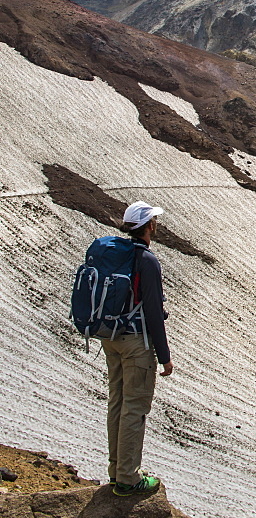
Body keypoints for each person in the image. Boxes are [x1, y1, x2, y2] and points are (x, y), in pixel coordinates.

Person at [101, 200, 173, 496]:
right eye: (154, 221)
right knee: (135, 408)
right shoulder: (147, 260)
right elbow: (154, 311)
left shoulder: (117, 253)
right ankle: (128, 479)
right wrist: (165, 357)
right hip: (136, 343)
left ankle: (117, 470)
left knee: (117, 402)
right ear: (149, 226)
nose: (156, 225)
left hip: (111, 337)